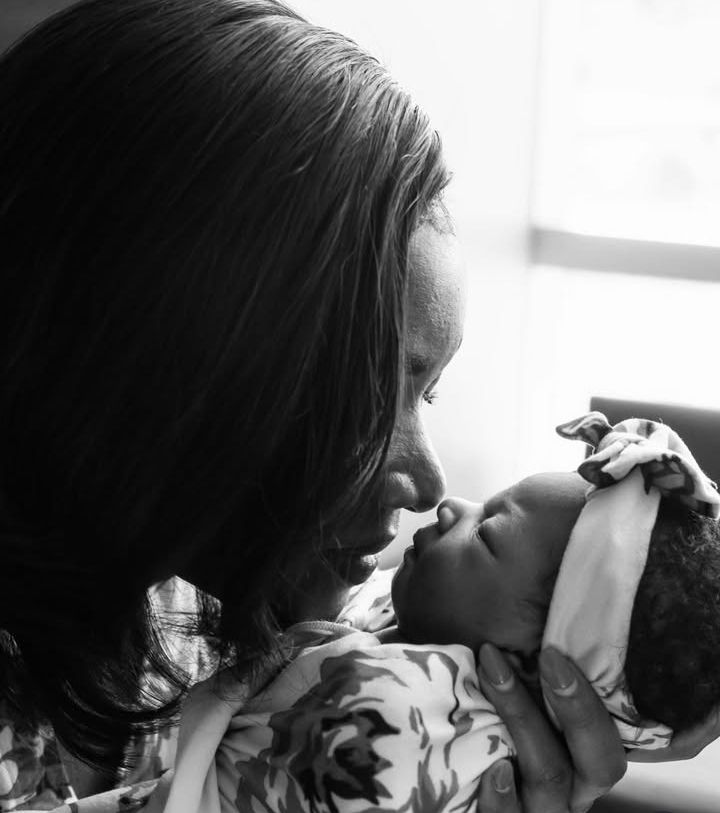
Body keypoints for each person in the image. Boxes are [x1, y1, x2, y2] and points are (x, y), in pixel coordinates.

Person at [0, 0, 715, 811]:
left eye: (427, 392)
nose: (430, 482)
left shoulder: (208, 612)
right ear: (164, 352)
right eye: (369, 400)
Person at [150, 412, 720, 813]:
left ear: (532, 664)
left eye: (488, 534)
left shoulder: (403, 710)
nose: (447, 501)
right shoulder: (412, 635)